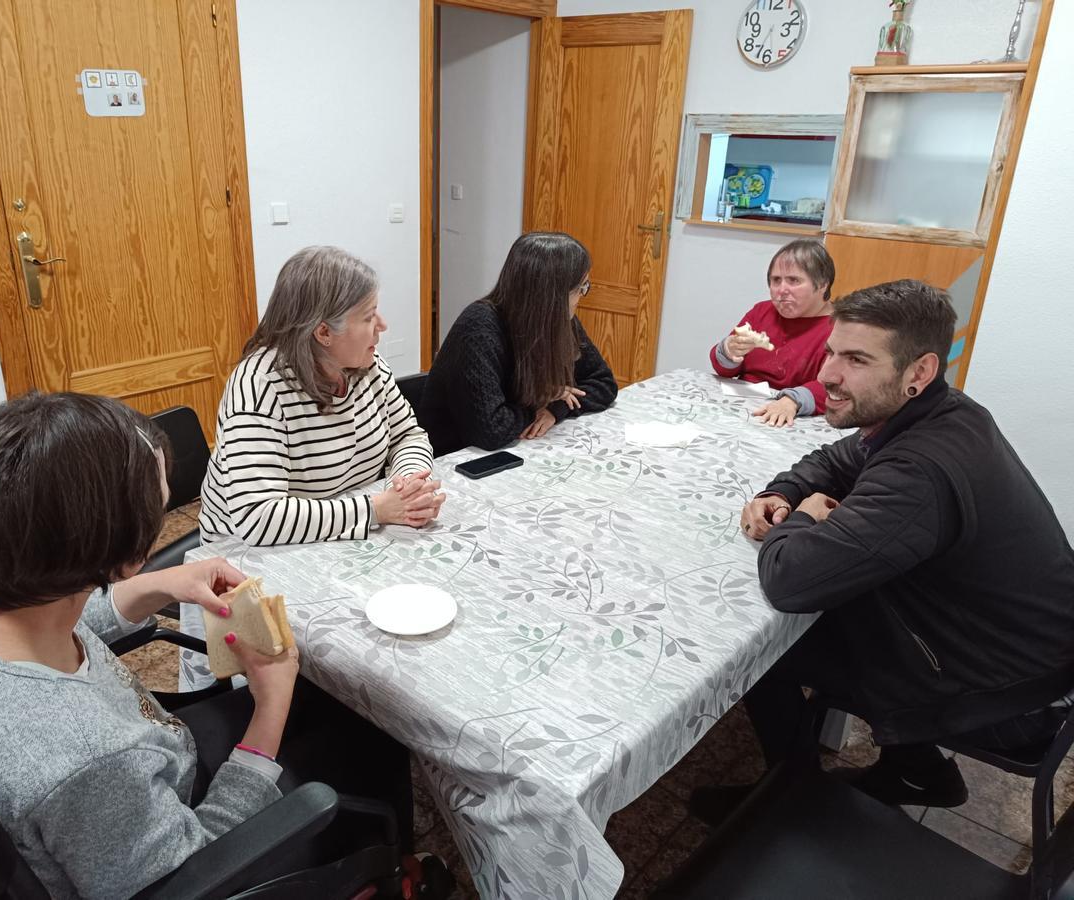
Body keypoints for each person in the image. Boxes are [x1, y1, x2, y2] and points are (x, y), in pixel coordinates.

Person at [0, 393, 416, 898]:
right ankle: (386, 860)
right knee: (372, 734)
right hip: (161, 837)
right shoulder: (84, 759)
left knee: (320, 702)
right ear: (125, 552)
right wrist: (270, 707)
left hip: (112, 791)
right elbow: (195, 866)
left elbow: (53, 613)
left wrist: (157, 584)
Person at [694, 280, 1074, 823]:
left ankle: (790, 805)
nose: (827, 374)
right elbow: (835, 457)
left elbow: (790, 581)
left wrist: (799, 521)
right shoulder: (944, 411)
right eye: (831, 351)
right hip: (1014, 647)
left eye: (855, 359)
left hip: (1011, 695)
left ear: (918, 372)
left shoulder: (919, 469)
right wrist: (781, 493)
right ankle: (919, 769)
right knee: (848, 595)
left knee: (760, 651)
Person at [199, 245, 443, 546]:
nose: (382, 325)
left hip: (339, 536)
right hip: (246, 556)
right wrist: (376, 509)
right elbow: (259, 517)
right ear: (323, 333)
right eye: (368, 318)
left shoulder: (367, 366)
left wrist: (409, 486)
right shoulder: (259, 391)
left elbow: (407, 435)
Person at [418, 231, 618, 455]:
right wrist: (538, 403)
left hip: (512, 449)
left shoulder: (558, 319)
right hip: (454, 458)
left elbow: (603, 383)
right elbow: (491, 430)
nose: (582, 296)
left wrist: (555, 409)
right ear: (552, 295)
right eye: (580, 289)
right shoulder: (479, 328)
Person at [710, 239, 836, 427]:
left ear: (822, 284)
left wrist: (793, 400)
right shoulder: (761, 311)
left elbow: (836, 388)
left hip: (793, 418)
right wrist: (728, 351)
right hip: (744, 406)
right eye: (776, 280)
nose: (781, 290)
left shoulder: (839, 328)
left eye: (794, 281)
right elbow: (723, 371)